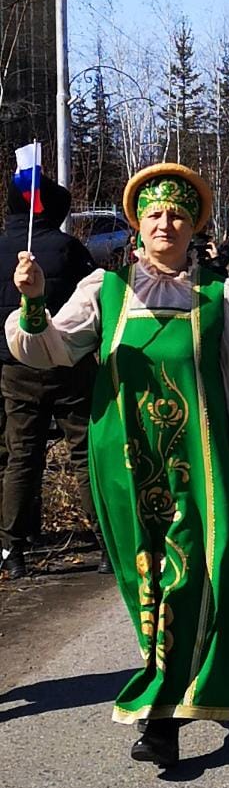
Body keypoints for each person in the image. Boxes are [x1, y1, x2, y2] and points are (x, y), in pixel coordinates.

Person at [6, 163, 229, 768]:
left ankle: (162, 715)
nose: (165, 223)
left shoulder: (220, 294)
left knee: (207, 567)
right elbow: (49, 348)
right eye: (154, 214)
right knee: (148, 580)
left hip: (199, 463)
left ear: (194, 225)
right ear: (137, 224)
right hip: (125, 463)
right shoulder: (104, 290)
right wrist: (31, 303)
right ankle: (169, 699)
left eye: (177, 214)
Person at [0, 176, 101, 579]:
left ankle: (14, 548)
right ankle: (106, 540)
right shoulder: (68, 249)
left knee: (21, 455)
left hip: (12, 365)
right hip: (67, 363)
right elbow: (93, 302)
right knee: (85, 452)